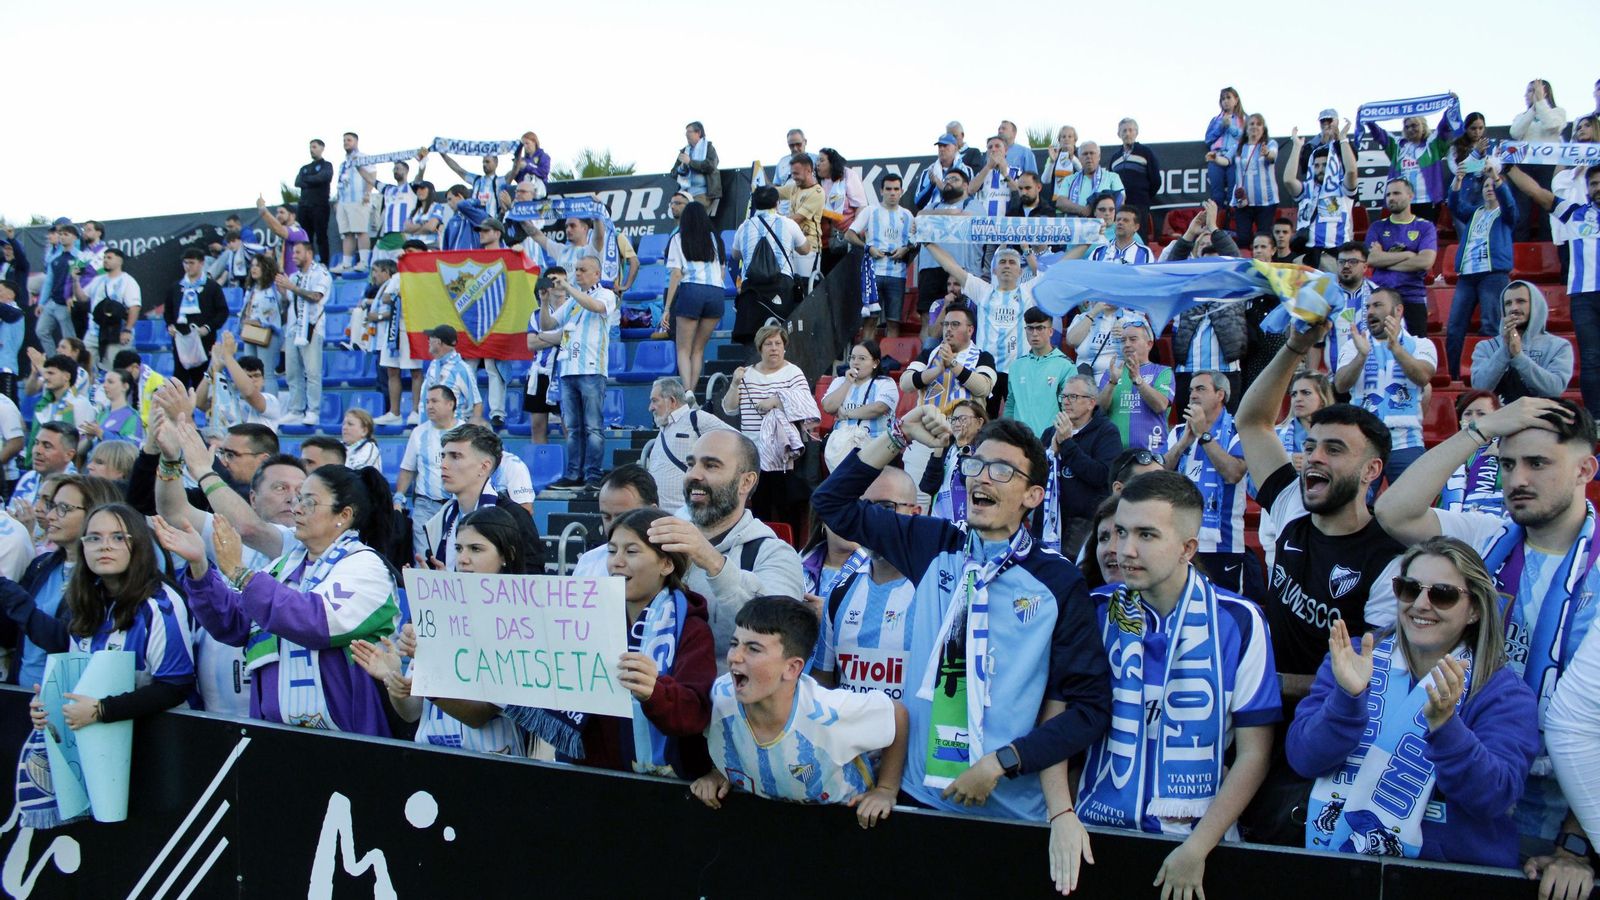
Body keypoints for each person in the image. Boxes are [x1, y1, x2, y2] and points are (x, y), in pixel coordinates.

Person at [814, 408, 1111, 892]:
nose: (982, 477)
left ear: (1032, 496)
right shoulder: (933, 543)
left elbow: (1088, 709)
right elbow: (832, 502)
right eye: (975, 464)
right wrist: (896, 435)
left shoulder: (1058, 582)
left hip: (1010, 811)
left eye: (1002, 470)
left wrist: (1003, 763)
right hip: (919, 799)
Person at [1374, 397, 1600, 870]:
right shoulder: (1484, 539)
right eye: (1507, 463)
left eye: (1538, 463)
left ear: (1585, 470)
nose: (1516, 480)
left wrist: (1579, 844)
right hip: (1454, 791)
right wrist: (1484, 429)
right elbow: (1394, 511)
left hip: (1565, 812)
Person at [1233, 320, 1405, 845]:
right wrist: (1294, 346)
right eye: (1310, 447)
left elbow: (1373, 679)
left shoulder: (1390, 562)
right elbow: (1253, 420)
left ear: (1371, 469)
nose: (1313, 458)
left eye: (1333, 449)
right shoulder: (1289, 504)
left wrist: (1279, 682)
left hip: (1323, 729)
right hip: (1255, 710)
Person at [1075, 471, 1278, 895]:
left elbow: (1253, 754)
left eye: (1147, 535)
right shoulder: (1092, 611)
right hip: (1094, 835)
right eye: (1120, 532)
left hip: (1195, 847)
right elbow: (1061, 723)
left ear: (1188, 547)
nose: (1124, 550)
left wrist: (1197, 847)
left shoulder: (1241, 621)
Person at [1289, 536, 1537, 868]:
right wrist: (1347, 700)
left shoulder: (1503, 692)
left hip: (1448, 879)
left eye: (1443, 595)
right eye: (1409, 588)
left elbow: (1494, 796)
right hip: (1338, 869)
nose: (1420, 604)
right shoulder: (1356, 658)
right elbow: (1303, 759)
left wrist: (1446, 727)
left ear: (1475, 610)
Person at [160, 464, 401, 735]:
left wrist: (240, 573)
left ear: (344, 515)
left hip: (347, 738)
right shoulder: (285, 565)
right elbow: (234, 624)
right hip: (277, 735)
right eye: (299, 499)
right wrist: (200, 565)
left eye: (309, 502)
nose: (296, 508)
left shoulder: (366, 566)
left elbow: (315, 621)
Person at [691, 595, 908, 827]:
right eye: (734, 644)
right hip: (769, 822)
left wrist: (886, 789)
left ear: (792, 668)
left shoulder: (828, 713)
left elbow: (896, 714)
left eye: (753, 649)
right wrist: (720, 771)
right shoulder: (718, 696)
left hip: (845, 823)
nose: (734, 656)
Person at [19, 503, 197, 756]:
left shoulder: (161, 604)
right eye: (94, 538)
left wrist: (102, 710)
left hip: (161, 745)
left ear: (139, 545)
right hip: (100, 743)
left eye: (118, 538)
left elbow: (175, 686)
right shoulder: (84, 599)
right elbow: (78, 675)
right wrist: (51, 702)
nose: (105, 546)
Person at [353, 506, 531, 756]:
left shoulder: (516, 622)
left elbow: (479, 715)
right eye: (459, 548)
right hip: (430, 758)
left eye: (476, 549)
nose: (463, 558)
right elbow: (412, 712)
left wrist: (432, 667)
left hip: (492, 760)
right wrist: (394, 681)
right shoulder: (435, 610)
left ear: (507, 555)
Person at [645, 430, 806, 672]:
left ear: (746, 482)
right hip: (650, 702)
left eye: (711, 466)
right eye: (691, 464)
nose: (694, 475)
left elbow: (780, 636)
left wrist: (712, 561)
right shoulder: (660, 539)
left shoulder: (773, 553)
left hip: (727, 705)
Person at [0, 475, 124, 690]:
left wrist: (5, 587)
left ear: (95, 514)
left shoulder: (104, 578)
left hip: (68, 706)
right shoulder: (42, 565)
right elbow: (10, 633)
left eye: (63, 508)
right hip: (21, 696)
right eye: (52, 506)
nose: (50, 516)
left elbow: (64, 643)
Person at [1502, 164, 1600, 417]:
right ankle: (1596, 418)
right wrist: (1509, 168)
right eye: (1593, 184)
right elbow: (1538, 193)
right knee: (1591, 359)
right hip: (1584, 295)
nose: (1597, 188)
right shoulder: (1576, 213)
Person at [815, 467, 921, 697]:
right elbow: (823, 684)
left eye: (884, 508)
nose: (871, 519)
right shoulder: (839, 592)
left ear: (915, 513)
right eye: (862, 508)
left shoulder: (937, 592)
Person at [1162, 372, 1258, 597]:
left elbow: (1233, 473)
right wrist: (1184, 442)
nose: (1193, 394)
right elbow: (1159, 474)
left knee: (1224, 608)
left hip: (1222, 543)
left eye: (1201, 389)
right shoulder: (1178, 432)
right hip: (1181, 540)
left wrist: (1204, 434)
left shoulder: (1237, 430)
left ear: (1220, 395)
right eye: (1191, 390)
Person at [1333, 289, 1437, 485]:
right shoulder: (1353, 346)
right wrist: (1361, 356)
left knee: (1409, 506)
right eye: (1368, 307)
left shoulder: (1421, 345)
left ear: (1398, 310)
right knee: (1359, 508)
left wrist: (1396, 348)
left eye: (1377, 305)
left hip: (1406, 441)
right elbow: (1340, 385)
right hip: (1363, 441)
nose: (1370, 311)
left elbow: (1423, 376)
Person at [721, 325, 818, 529]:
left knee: (786, 506)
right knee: (760, 506)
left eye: (778, 344)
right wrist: (734, 384)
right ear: (760, 348)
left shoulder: (794, 373)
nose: (773, 348)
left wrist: (776, 400)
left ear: (784, 348)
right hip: (753, 449)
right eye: (768, 344)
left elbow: (807, 407)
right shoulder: (746, 374)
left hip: (785, 452)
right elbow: (729, 409)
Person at [420, 423, 544, 573]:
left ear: (484, 467)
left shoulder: (514, 516)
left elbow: (532, 581)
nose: (444, 465)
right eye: (443, 456)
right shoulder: (442, 518)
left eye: (455, 456)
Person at [535, 259, 615, 490]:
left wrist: (568, 286)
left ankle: (593, 474)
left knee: (592, 427)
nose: (577, 273)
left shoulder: (605, 294)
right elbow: (548, 324)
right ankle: (573, 474)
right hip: (568, 370)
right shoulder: (572, 303)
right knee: (573, 428)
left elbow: (596, 307)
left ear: (597, 274)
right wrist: (544, 301)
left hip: (591, 369)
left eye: (582, 270)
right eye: (576, 270)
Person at [1036, 373, 1122, 559]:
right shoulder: (1050, 432)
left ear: (1091, 402)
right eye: (1064, 396)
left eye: (1073, 397)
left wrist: (1067, 444)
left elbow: (1102, 476)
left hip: (1084, 524)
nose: (1066, 402)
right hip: (1047, 521)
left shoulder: (1107, 432)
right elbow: (1036, 474)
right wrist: (1049, 454)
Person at [1446, 167, 1517, 382]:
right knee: (1454, 327)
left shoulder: (1505, 214)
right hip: (1467, 275)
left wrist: (1496, 177)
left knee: (1490, 324)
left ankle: (1490, 376)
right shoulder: (1474, 212)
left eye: (1494, 186)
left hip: (1493, 274)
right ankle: (1454, 375)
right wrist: (1458, 181)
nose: (1490, 189)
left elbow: (1511, 205)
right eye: (1486, 186)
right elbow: (1455, 205)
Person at [659, 201, 725, 398]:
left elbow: (676, 275)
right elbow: (721, 272)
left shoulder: (678, 238)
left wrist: (667, 307)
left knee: (683, 348)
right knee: (698, 349)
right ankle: (693, 392)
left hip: (691, 290)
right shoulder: (716, 239)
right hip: (716, 293)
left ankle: (687, 392)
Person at [1470, 281, 1574, 403]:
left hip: (1541, 416)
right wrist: (1505, 350)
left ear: (1535, 305)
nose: (1514, 308)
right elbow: (1480, 388)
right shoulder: (1485, 347)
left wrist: (1519, 357)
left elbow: (1554, 390)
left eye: (1521, 301)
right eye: (1508, 303)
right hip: (1499, 418)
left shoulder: (1559, 346)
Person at [727, 186, 808, 342]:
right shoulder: (788, 223)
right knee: (782, 333)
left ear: (755, 204)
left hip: (751, 286)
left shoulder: (744, 226)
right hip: (781, 283)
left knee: (752, 335)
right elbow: (804, 249)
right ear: (777, 203)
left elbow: (736, 254)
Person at [643, 376, 733, 512]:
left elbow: (738, 441)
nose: (650, 408)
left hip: (688, 516)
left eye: (654, 401)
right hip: (659, 514)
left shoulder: (696, 418)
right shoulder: (664, 426)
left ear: (672, 401)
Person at [843, 173, 915, 339]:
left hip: (897, 275)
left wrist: (906, 249)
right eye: (888, 189)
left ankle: (890, 361)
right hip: (873, 274)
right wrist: (868, 248)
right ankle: (864, 362)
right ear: (881, 191)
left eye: (896, 189)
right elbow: (849, 235)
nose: (892, 192)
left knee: (893, 322)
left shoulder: (908, 215)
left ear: (901, 191)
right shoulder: (870, 211)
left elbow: (916, 242)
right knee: (869, 321)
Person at [1365, 178, 1439, 337]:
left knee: (1414, 352)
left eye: (1396, 193)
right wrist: (1407, 255)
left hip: (1413, 298)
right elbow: (1371, 260)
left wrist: (1384, 260)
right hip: (1382, 299)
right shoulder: (1377, 226)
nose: (1391, 198)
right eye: (1388, 194)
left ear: (1410, 195)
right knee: (1380, 350)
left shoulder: (1425, 227)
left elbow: (1425, 262)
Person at [396, 386, 463, 559]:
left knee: (454, 557)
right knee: (423, 557)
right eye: (427, 402)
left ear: (450, 404)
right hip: (425, 505)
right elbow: (407, 469)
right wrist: (399, 497)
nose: (429, 406)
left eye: (434, 401)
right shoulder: (418, 433)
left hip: (457, 505)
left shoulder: (466, 432)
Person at [1283, 120, 1358, 270]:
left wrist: (1343, 139)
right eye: (1316, 166)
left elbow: (1351, 172)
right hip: (1308, 258)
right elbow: (1288, 180)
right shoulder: (1307, 190)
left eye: (1325, 165)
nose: (1320, 169)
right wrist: (1297, 147)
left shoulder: (1342, 188)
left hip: (1335, 257)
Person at [1367, 108, 1457, 224]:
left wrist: (1450, 109)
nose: (1410, 129)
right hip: (1403, 201)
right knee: (1401, 236)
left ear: (1423, 126)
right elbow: (1379, 134)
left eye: (1414, 125)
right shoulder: (1398, 146)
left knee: (1425, 236)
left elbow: (1444, 128)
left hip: (1427, 201)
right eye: (1407, 127)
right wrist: (1368, 118)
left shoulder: (1433, 144)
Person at [276, 242, 332, 426]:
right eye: (293, 253)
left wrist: (291, 288)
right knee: (292, 372)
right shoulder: (295, 276)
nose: (293, 256)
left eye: (298, 252)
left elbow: (316, 297)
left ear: (309, 253)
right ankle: (295, 410)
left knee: (312, 372)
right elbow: (291, 301)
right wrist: (284, 290)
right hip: (293, 328)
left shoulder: (321, 273)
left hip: (312, 328)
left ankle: (313, 411)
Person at [1097, 321, 1175, 453]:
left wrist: (1138, 380)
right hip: (1115, 453)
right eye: (1123, 340)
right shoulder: (1112, 373)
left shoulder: (1162, 372)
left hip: (1151, 453)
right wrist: (1112, 383)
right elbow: (1100, 410)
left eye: (1133, 339)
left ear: (1149, 344)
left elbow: (1160, 405)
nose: (1127, 344)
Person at [571, 464, 658, 578]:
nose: (612, 526)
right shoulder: (588, 563)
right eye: (606, 517)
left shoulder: (674, 562)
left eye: (623, 517)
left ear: (652, 512)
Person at [1510, 80, 1568, 242]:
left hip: (1548, 166)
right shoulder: (1521, 117)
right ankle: (1519, 248)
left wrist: (1540, 102)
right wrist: (1533, 109)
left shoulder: (1558, 112)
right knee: (1521, 210)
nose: (1526, 95)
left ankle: (1547, 248)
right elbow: (1515, 132)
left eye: (1531, 91)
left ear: (1544, 92)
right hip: (1525, 167)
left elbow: (1552, 125)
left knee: (1546, 209)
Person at [163, 249, 228, 390]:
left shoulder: (212, 287)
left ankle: (203, 410)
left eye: (192, 263)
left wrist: (208, 327)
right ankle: (182, 411)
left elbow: (222, 312)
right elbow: (168, 311)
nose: (188, 266)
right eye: (185, 263)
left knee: (202, 380)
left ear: (201, 263)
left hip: (204, 339)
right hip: (181, 340)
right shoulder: (175, 287)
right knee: (179, 379)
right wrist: (170, 326)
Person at [1003, 308, 1073, 437]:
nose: (1034, 333)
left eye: (1040, 328)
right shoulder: (1016, 366)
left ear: (1051, 331)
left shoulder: (1065, 366)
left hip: (1050, 442)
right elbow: (1011, 404)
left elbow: (1069, 409)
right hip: (1019, 441)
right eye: (1030, 328)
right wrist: (1005, 433)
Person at [366, 259, 419, 425]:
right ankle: (394, 413)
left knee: (415, 372)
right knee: (392, 371)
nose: (374, 275)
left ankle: (415, 411)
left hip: (413, 328)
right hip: (393, 333)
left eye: (377, 271)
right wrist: (399, 293)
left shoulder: (424, 274)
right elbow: (387, 299)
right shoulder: (397, 278)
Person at [195, 334, 282, 435]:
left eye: (256, 376)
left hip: (256, 450)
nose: (252, 380)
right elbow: (199, 403)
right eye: (248, 376)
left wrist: (228, 356)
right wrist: (212, 370)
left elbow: (249, 393)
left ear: (263, 380)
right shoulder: (228, 399)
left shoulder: (271, 401)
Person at [821, 341, 899, 452]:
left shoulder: (886, 383)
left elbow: (878, 408)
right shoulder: (840, 381)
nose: (855, 363)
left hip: (876, 444)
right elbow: (828, 407)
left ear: (875, 363)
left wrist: (847, 414)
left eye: (862, 358)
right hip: (841, 442)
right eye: (852, 358)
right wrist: (848, 382)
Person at [918, 399, 988, 522]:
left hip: (970, 522)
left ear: (979, 422)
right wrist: (939, 448)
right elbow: (927, 487)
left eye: (963, 419)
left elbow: (969, 482)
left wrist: (963, 445)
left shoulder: (986, 450)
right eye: (954, 419)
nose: (957, 424)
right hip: (940, 522)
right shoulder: (948, 448)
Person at [1438, 390, 1504, 516]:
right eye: (1468, 414)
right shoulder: (1447, 453)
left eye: (1481, 414)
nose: (1474, 419)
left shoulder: (1510, 450)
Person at [72, 247, 140, 369]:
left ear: (120, 261)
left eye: (109, 257)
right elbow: (82, 298)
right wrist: (75, 281)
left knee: (113, 368)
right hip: (94, 332)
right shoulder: (98, 280)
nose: (105, 260)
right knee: (85, 366)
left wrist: (128, 330)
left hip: (116, 333)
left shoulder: (128, 281)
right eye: (104, 258)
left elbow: (134, 307)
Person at [1065, 302, 1151, 383]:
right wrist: (1092, 313)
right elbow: (1071, 341)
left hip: (1123, 380)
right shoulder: (1082, 317)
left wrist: (1127, 335)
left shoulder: (1135, 319)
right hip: (1086, 380)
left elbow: (1146, 349)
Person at [235, 254, 283, 392]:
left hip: (269, 332)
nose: (253, 269)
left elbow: (274, 311)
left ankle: (270, 406)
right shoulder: (251, 289)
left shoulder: (274, 288)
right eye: (252, 266)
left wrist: (259, 321)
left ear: (266, 268)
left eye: (258, 266)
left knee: (267, 373)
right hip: (250, 331)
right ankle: (255, 407)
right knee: (249, 372)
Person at [776, 154, 825, 290]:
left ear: (809, 171)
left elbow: (797, 219)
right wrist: (760, 188)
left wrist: (773, 222)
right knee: (791, 288)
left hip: (810, 249)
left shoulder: (817, 192)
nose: (793, 177)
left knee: (806, 288)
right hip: (791, 247)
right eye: (792, 174)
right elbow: (774, 192)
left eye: (796, 173)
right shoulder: (793, 187)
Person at [1232, 113, 1280, 247]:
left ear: (1263, 128)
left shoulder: (1270, 144)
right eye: (1251, 124)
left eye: (1258, 124)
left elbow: (1273, 156)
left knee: (1263, 237)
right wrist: (1215, 158)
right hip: (1243, 202)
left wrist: (1267, 153)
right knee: (1243, 238)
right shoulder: (1238, 147)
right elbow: (1225, 160)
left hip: (1266, 201)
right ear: (1246, 128)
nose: (1255, 127)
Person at [419, 324, 482, 423]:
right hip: (429, 430)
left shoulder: (462, 369)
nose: (428, 341)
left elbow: (476, 403)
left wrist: (471, 432)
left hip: (453, 432)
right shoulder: (433, 365)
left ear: (438, 342)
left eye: (430, 338)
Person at [1105, 119, 1161, 230]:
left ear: (1136, 132)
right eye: (1124, 131)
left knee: (1139, 237)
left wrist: (1143, 196)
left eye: (1131, 130)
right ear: (1119, 134)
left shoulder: (1146, 152)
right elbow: (1110, 182)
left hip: (1140, 205)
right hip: (1119, 206)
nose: (1127, 134)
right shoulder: (1115, 158)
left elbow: (1156, 180)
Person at [331, 133, 373, 274]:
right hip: (344, 201)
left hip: (358, 199)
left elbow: (372, 175)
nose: (346, 142)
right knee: (347, 233)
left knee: (360, 230)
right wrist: (338, 201)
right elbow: (341, 183)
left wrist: (367, 192)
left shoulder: (363, 157)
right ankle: (346, 264)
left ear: (356, 141)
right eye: (344, 140)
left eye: (349, 140)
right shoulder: (343, 163)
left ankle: (364, 262)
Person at [1205, 87, 1248, 223]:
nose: (1225, 101)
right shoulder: (1216, 119)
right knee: (1217, 194)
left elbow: (1247, 138)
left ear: (1236, 100)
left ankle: (1231, 224)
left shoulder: (1244, 119)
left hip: (1235, 158)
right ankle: (1215, 223)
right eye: (1223, 99)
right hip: (1216, 157)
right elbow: (1208, 139)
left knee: (1233, 193)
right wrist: (1221, 126)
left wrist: (1230, 127)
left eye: (1228, 98)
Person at [17, 421, 82, 508]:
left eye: (47, 446)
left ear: (69, 455)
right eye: (36, 443)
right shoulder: (28, 477)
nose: (37, 451)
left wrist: (29, 522)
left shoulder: (74, 489)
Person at [912, 134, 974, 213]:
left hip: (958, 217)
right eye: (939, 146)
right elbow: (918, 203)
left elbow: (970, 199)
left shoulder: (966, 170)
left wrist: (940, 184)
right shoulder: (928, 172)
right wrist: (931, 185)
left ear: (955, 147)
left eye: (945, 146)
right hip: (934, 218)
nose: (941, 149)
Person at [81, 368, 141, 449]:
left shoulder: (132, 417)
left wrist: (101, 434)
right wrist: (89, 439)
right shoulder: (101, 414)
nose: (104, 385)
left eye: (110, 382)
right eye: (104, 382)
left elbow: (132, 447)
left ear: (125, 387)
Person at [295, 138, 333, 264]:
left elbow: (323, 177)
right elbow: (297, 182)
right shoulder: (304, 167)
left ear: (322, 148)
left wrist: (308, 180)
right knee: (306, 237)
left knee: (321, 236)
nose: (312, 150)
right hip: (304, 206)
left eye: (315, 147)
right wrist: (313, 180)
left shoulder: (326, 165)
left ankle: (324, 263)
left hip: (320, 206)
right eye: (310, 147)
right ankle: (307, 262)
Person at [672, 121, 721, 216]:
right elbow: (673, 173)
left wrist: (690, 162)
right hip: (685, 192)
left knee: (693, 214)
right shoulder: (684, 151)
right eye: (686, 132)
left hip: (702, 193)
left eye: (689, 132)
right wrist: (681, 168)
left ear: (698, 133)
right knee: (677, 210)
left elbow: (711, 166)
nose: (686, 135)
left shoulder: (708, 148)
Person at [1086, 205, 1154, 265]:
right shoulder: (1099, 251)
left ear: (1136, 227)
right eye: (1118, 220)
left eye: (1125, 220)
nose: (1120, 222)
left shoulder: (1145, 253)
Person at [1040, 126, 1081, 206]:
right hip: (1056, 203)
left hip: (1075, 203)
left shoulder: (1080, 154)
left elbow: (1085, 173)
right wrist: (1052, 162)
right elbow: (1045, 180)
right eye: (1063, 137)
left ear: (1075, 140)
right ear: (1059, 140)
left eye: (1070, 136)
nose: (1066, 139)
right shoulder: (1053, 155)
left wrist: (1072, 158)